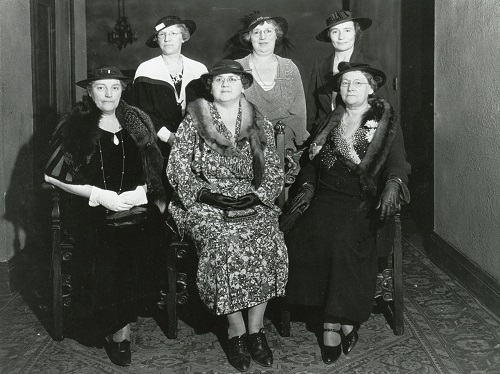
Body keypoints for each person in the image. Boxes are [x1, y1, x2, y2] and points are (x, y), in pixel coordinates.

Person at [282, 62, 410, 365]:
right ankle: (334, 320)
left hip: (363, 201)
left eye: (357, 83)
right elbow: (310, 166)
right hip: (326, 198)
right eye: (344, 84)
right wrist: (306, 189)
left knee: (343, 241)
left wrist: (394, 184)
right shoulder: (329, 121)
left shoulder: (385, 123)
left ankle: (341, 319)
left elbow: (397, 162)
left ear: (370, 88)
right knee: (308, 234)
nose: (349, 88)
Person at [166, 59, 287, 372]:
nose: (225, 85)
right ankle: (236, 329)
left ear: (243, 85)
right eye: (219, 81)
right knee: (223, 241)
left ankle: (256, 330)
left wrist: (257, 195)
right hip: (204, 202)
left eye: (232, 80)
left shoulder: (259, 121)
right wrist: (204, 194)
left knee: (268, 239)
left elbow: (273, 167)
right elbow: (177, 166)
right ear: (210, 86)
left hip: (250, 198)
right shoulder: (194, 119)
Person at [44, 66, 167, 367]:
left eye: (114, 87)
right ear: (89, 91)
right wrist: (96, 195)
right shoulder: (75, 123)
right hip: (91, 208)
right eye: (101, 88)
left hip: (134, 204)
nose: (108, 94)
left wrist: (142, 192)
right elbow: (52, 174)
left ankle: (130, 310)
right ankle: (118, 332)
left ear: (123, 89)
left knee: (151, 235)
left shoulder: (138, 121)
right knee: (110, 245)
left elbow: (155, 168)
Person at [130, 15, 208, 201]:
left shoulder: (199, 70)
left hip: (194, 146)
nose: (167, 38)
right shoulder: (146, 70)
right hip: (158, 146)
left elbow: (206, 110)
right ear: (157, 40)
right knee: (163, 197)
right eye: (162, 35)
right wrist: (169, 137)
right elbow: (142, 111)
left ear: (183, 37)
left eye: (173, 33)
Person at [235, 12, 308, 151]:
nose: (263, 37)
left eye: (268, 31)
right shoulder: (236, 68)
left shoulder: (289, 68)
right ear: (249, 37)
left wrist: (277, 143)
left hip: (283, 147)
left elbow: (298, 115)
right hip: (245, 145)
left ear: (277, 34)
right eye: (257, 32)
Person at [307, 10, 386, 132]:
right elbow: (311, 110)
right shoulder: (319, 65)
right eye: (335, 31)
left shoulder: (371, 64)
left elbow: (385, 111)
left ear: (356, 32)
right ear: (329, 35)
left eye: (347, 30)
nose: (341, 37)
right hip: (323, 135)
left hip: (359, 135)